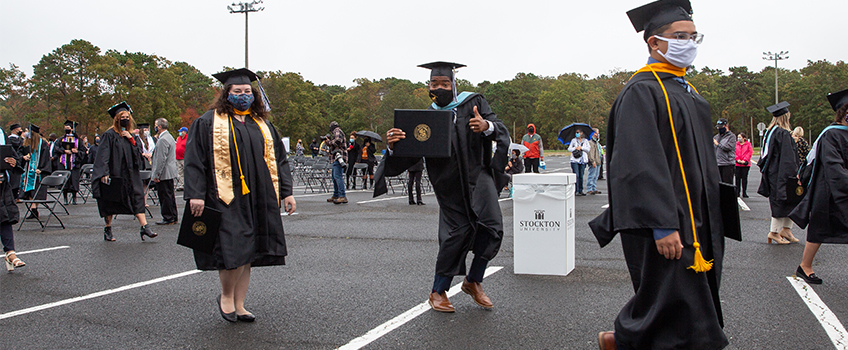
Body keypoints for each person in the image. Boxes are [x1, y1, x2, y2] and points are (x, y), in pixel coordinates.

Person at [589, 1, 731, 349]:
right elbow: (638, 163)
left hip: (696, 221)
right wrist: (662, 224)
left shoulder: (686, 90)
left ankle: (622, 340)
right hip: (667, 222)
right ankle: (623, 339)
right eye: (679, 36)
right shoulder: (643, 90)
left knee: (678, 307)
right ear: (654, 42)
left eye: (694, 36)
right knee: (680, 308)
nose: (689, 43)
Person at [376, 61, 510, 313]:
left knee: (491, 226)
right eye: (434, 84)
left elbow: (499, 129)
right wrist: (394, 146)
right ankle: (438, 291)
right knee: (456, 234)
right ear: (428, 86)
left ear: (454, 84)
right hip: (447, 183)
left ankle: (473, 281)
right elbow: (410, 155)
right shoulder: (424, 118)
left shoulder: (474, 102)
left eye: (445, 83)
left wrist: (486, 127)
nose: (439, 88)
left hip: (478, 176)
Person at [184, 68, 295, 323]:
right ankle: (226, 296)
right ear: (227, 93)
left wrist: (287, 193)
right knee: (232, 248)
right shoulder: (208, 122)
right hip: (224, 196)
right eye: (237, 92)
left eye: (247, 91)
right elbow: (194, 160)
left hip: (258, 195)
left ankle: (240, 303)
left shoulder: (263, 125)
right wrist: (195, 194)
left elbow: (281, 160)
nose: (243, 95)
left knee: (249, 251)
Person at [789, 89, 848, 285]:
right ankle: (805, 266)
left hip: (843, 186)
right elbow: (833, 166)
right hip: (828, 189)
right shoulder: (831, 134)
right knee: (820, 228)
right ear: (844, 113)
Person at [92, 102, 158, 242]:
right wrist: (104, 172)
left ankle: (145, 227)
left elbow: (137, 154)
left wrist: (130, 139)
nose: (125, 119)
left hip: (130, 174)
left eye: (127, 116)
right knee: (111, 202)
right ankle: (108, 228)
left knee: (137, 197)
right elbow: (103, 155)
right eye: (123, 116)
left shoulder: (131, 137)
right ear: (117, 118)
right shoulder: (109, 135)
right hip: (115, 173)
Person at [758, 101, 800, 245]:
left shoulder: (771, 132)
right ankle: (774, 232)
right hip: (782, 173)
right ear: (785, 117)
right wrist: (794, 174)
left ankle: (786, 230)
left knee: (790, 201)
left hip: (773, 172)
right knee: (781, 201)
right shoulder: (783, 133)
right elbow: (788, 158)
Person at [0, 125, 23, 271]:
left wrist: (14, 162)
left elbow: (13, 155)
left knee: (4, 218)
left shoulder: (1, 132)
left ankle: (10, 253)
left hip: (2, 185)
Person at [20, 124, 51, 220]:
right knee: (29, 191)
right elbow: (20, 153)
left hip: (38, 172)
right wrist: (24, 157)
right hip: (28, 171)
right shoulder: (26, 143)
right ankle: (33, 210)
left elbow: (46, 158)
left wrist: (42, 169)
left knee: (35, 191)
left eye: (28, 131)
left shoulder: (43, 144)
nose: (26, 133)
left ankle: (34, 210)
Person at [151, 118, 178, 225]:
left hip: (164, 173)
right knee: (170, 195)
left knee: (164, 195)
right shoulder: (169, 137)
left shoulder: (162, 140)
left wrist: (157, 174)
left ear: (160, 126)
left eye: (156, 125)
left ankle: (168, 217)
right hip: (170, 171)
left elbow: (161, 159)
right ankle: (173, 216)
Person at [53, 120, 87, 205]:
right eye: (65, 128)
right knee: (65, 180)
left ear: (72, 129)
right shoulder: (61, 139)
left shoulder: (78, 140)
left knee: (74, 180)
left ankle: (74, 197)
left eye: (68, 128)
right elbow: (56, 149)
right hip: (64, 163)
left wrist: (76, 151)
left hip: (74, 163)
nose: (66, 129)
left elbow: (84, 151)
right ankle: (65, 198)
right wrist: (64, 150)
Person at [327, 122, 347, 204]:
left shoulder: (337, 131)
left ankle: (342, 196)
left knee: (337, 176)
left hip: (339, 157)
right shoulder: (337, 131)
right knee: (334, 177)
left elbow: (337, 141)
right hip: (336, 158)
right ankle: (336, 194)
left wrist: (328, 142)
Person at [568, 129, 590, 196]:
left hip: (583, 160)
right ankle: (576, 190)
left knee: (581, 175)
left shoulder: (585, 141)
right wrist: (575, 148)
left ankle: (581, 190)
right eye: (576, 133)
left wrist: (581, 148)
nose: (577, 134)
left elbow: (588, 149)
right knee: (576, 175)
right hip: (575, 160)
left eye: (578, 132)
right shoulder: (573, 140)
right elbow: (569, 149)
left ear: (581, 133)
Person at [713, 118, 736, 184]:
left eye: (721, 127)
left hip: (727, 164)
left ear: (726, 126)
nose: (719, 129)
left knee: (727, 184)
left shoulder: (731, 137)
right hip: (718, 163)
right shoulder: (717, 137)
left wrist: (718, 144)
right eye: (718, 127)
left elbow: (728, 147)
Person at [7, 123, 24, 200]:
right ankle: (14, 196)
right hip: (13, 162)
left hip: (18, 161)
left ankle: (16, 196)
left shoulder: (18, 139)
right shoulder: (10, 139)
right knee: (14, 180)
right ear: (15, 130)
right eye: (19, 129)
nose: (21, 131)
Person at [734, 132, 752, 198]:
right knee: (737, 178)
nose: (739, 139)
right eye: (738, 137)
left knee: (744, 178)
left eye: (740, 137)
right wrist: (737, 159)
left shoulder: (748, 144)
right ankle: (737, 192)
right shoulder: (736, 144)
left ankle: (744, 192)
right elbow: (734, 152)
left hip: (745, 164)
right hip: (737, 164)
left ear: (744, 138)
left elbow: (750, 152)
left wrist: (745, 160)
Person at [587, 128, 603, 195]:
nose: (598, 134)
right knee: (592, 175)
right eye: (597, 133)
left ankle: (594, 188)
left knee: (596, 176)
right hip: (594, 161)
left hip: (598, 160)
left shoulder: (596, 142)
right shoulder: (590, 142)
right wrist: (593, 161)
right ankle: (589, 188)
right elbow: (591, 153)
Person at [175, 127, 188, 191]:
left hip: (184, 158)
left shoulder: (187, 138)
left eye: (181, 131)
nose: (180, 132)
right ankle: (181, 185)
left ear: (185, 132)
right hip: (178, 157)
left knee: (186, 172)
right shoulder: (178, 138)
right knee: (180, 172)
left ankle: (187, 184)